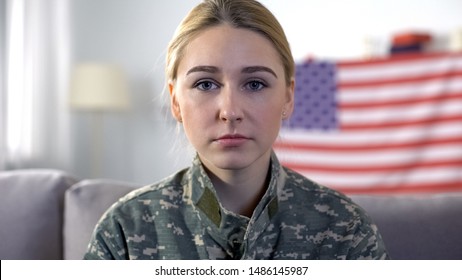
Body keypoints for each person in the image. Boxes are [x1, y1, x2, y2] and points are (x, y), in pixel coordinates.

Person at [84, 0, 389, 260]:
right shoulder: (123, 233)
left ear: (288, 97)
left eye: (255, 84)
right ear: (175, 101)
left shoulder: (346, 231)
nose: (230, 111)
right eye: (205, 84)